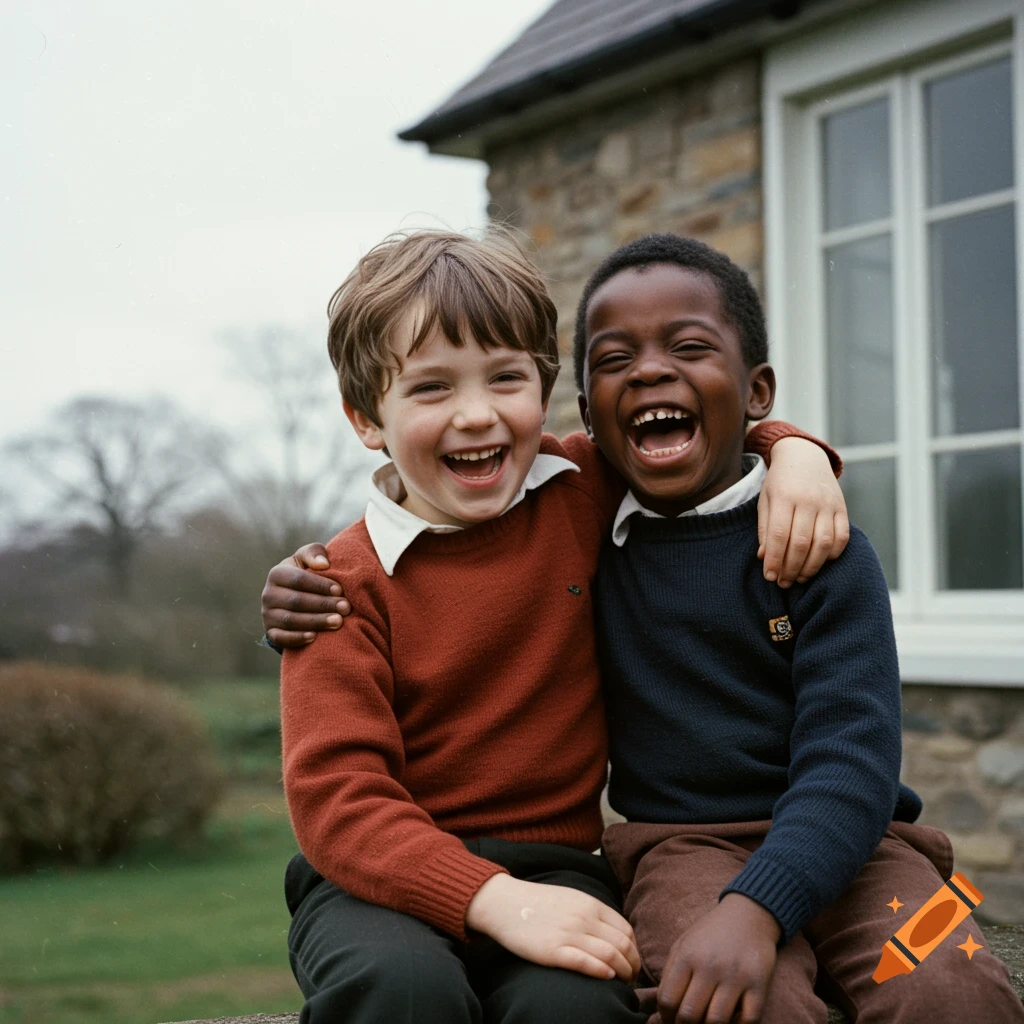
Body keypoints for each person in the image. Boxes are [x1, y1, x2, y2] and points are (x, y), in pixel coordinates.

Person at [273, 227, 848, 1024]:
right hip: (376, 887)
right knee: (406, 992)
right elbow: (337, 801)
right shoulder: (336, 589)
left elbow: (695, 430)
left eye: (505, 378)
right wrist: (488, 899)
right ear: (367, 417)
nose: (476, 416)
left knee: (576, 1005)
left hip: (556, 872)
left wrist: (797, 453)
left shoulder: (578, 491)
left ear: (545, 392)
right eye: (432, 389)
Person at [573, 234, 1023, 1024]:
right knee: (733, 1003)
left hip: (866, 843)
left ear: (757, 393)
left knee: (956, 984)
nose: (648, 370)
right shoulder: (576, 531)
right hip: (681, 852)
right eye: (614, 360)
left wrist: (759, 906)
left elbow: (855, 759)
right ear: (586, 416)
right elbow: (467, 470)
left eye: (688, 346)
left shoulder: (820, 547)